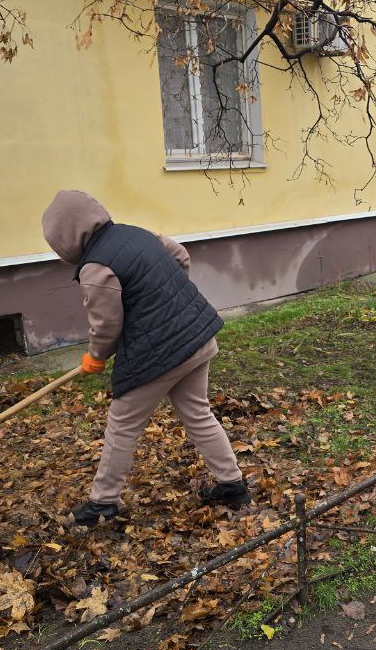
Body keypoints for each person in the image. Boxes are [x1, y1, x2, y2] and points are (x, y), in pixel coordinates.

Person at [41, 190, 248, 526]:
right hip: (196, 334)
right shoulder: (136, 233)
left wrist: (96, 356)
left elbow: (106, 324)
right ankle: (232, 485)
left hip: (158, 354)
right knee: (198, 413)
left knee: (122, 426)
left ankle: (102, 504)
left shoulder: (96, 267)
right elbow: (180, 256)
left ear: (66, 237)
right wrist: (165, 300)